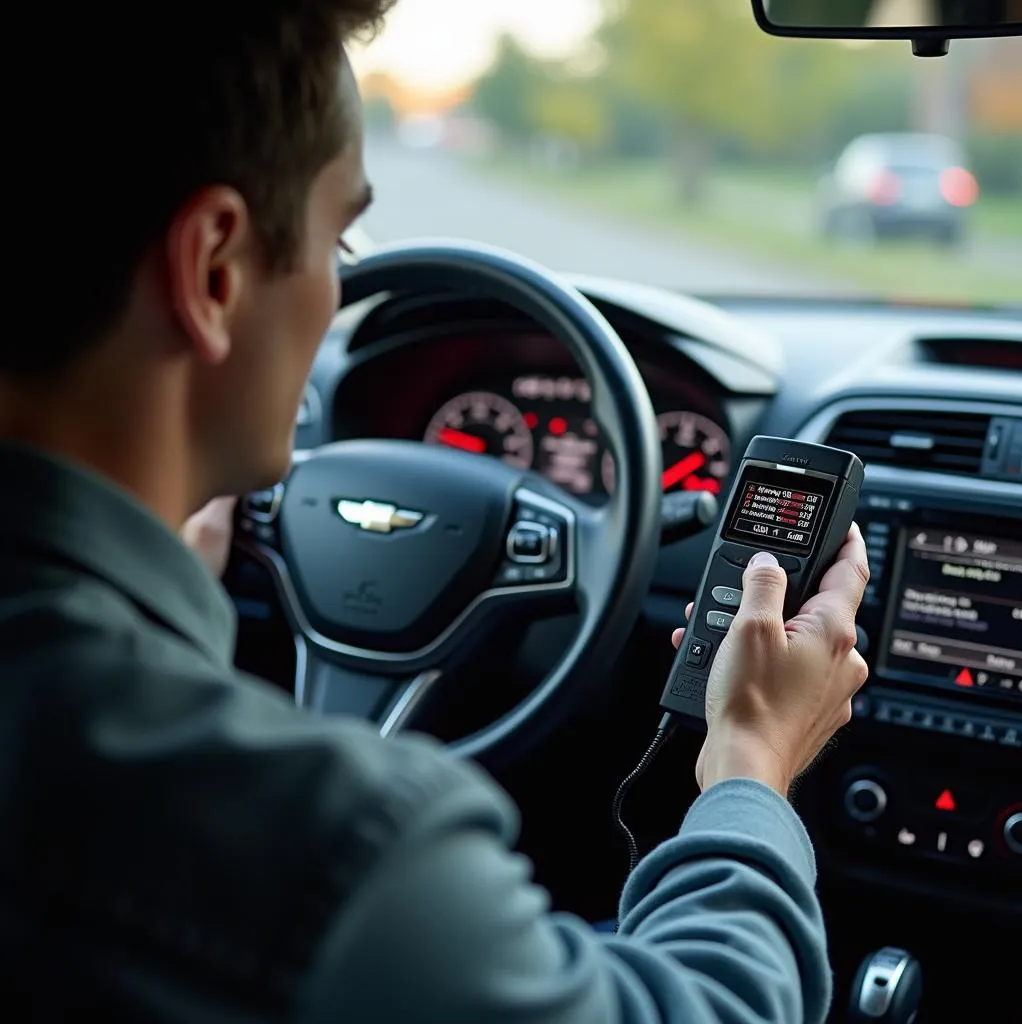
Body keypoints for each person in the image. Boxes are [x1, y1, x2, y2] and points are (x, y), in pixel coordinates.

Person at [0, 2, 870, 1020]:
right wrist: (749, 761)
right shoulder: (346, 850)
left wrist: (166, 603)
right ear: (215, 271)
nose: (337, 290)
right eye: (337, 236)